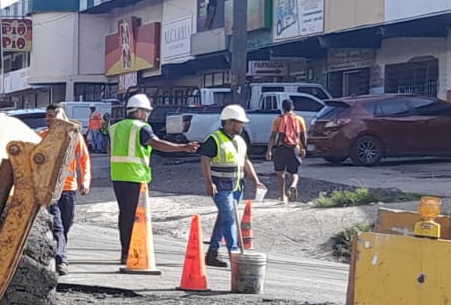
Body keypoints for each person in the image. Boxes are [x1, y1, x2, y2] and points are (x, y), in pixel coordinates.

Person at [108, 93, 199, 264]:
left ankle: (125, 251)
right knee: (134, 216)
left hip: (117, 175)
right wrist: (183, 147)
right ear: (139, 111)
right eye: (146, 111)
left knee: (125, 215)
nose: (148, 115)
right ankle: (131, 252)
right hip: (135, 176)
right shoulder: (141, 127)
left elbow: (109, 148)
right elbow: (157, 144)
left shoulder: (115, 127)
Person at [199, 104, 264, 267]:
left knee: (224, 219)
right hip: (220, 186)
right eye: (239, 122)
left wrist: (255, 180)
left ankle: (212, 253)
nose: (242, 125)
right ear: (229, 122)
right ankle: (234, 253)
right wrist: (209, 183)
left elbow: (245, 161)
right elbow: (205, 160)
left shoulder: (240, 141)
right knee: (229, 219)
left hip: (236, 187)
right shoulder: (214, 139)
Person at [37, 104, 91, 276]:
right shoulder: (42, 137)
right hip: (51, 190)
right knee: (57, 226)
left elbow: (84, 160)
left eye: (52, 115)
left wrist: (86, 181)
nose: (48, 119)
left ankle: (58, 252)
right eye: (48, 116)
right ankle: (62, 260)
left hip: (69, 189)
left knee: (65, 226)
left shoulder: (74, 137)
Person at [268, 99, 308, 202]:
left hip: (281, 148)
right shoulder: (299, 119)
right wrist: (303, 148)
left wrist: (269, 150)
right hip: (294, 148)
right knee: (294, 172)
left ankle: (282, 196)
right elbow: (303, 136)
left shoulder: (278, 120)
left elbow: (273, 136)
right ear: (292, 107)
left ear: (283, 108)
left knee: (280, 173)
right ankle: (293, 185)